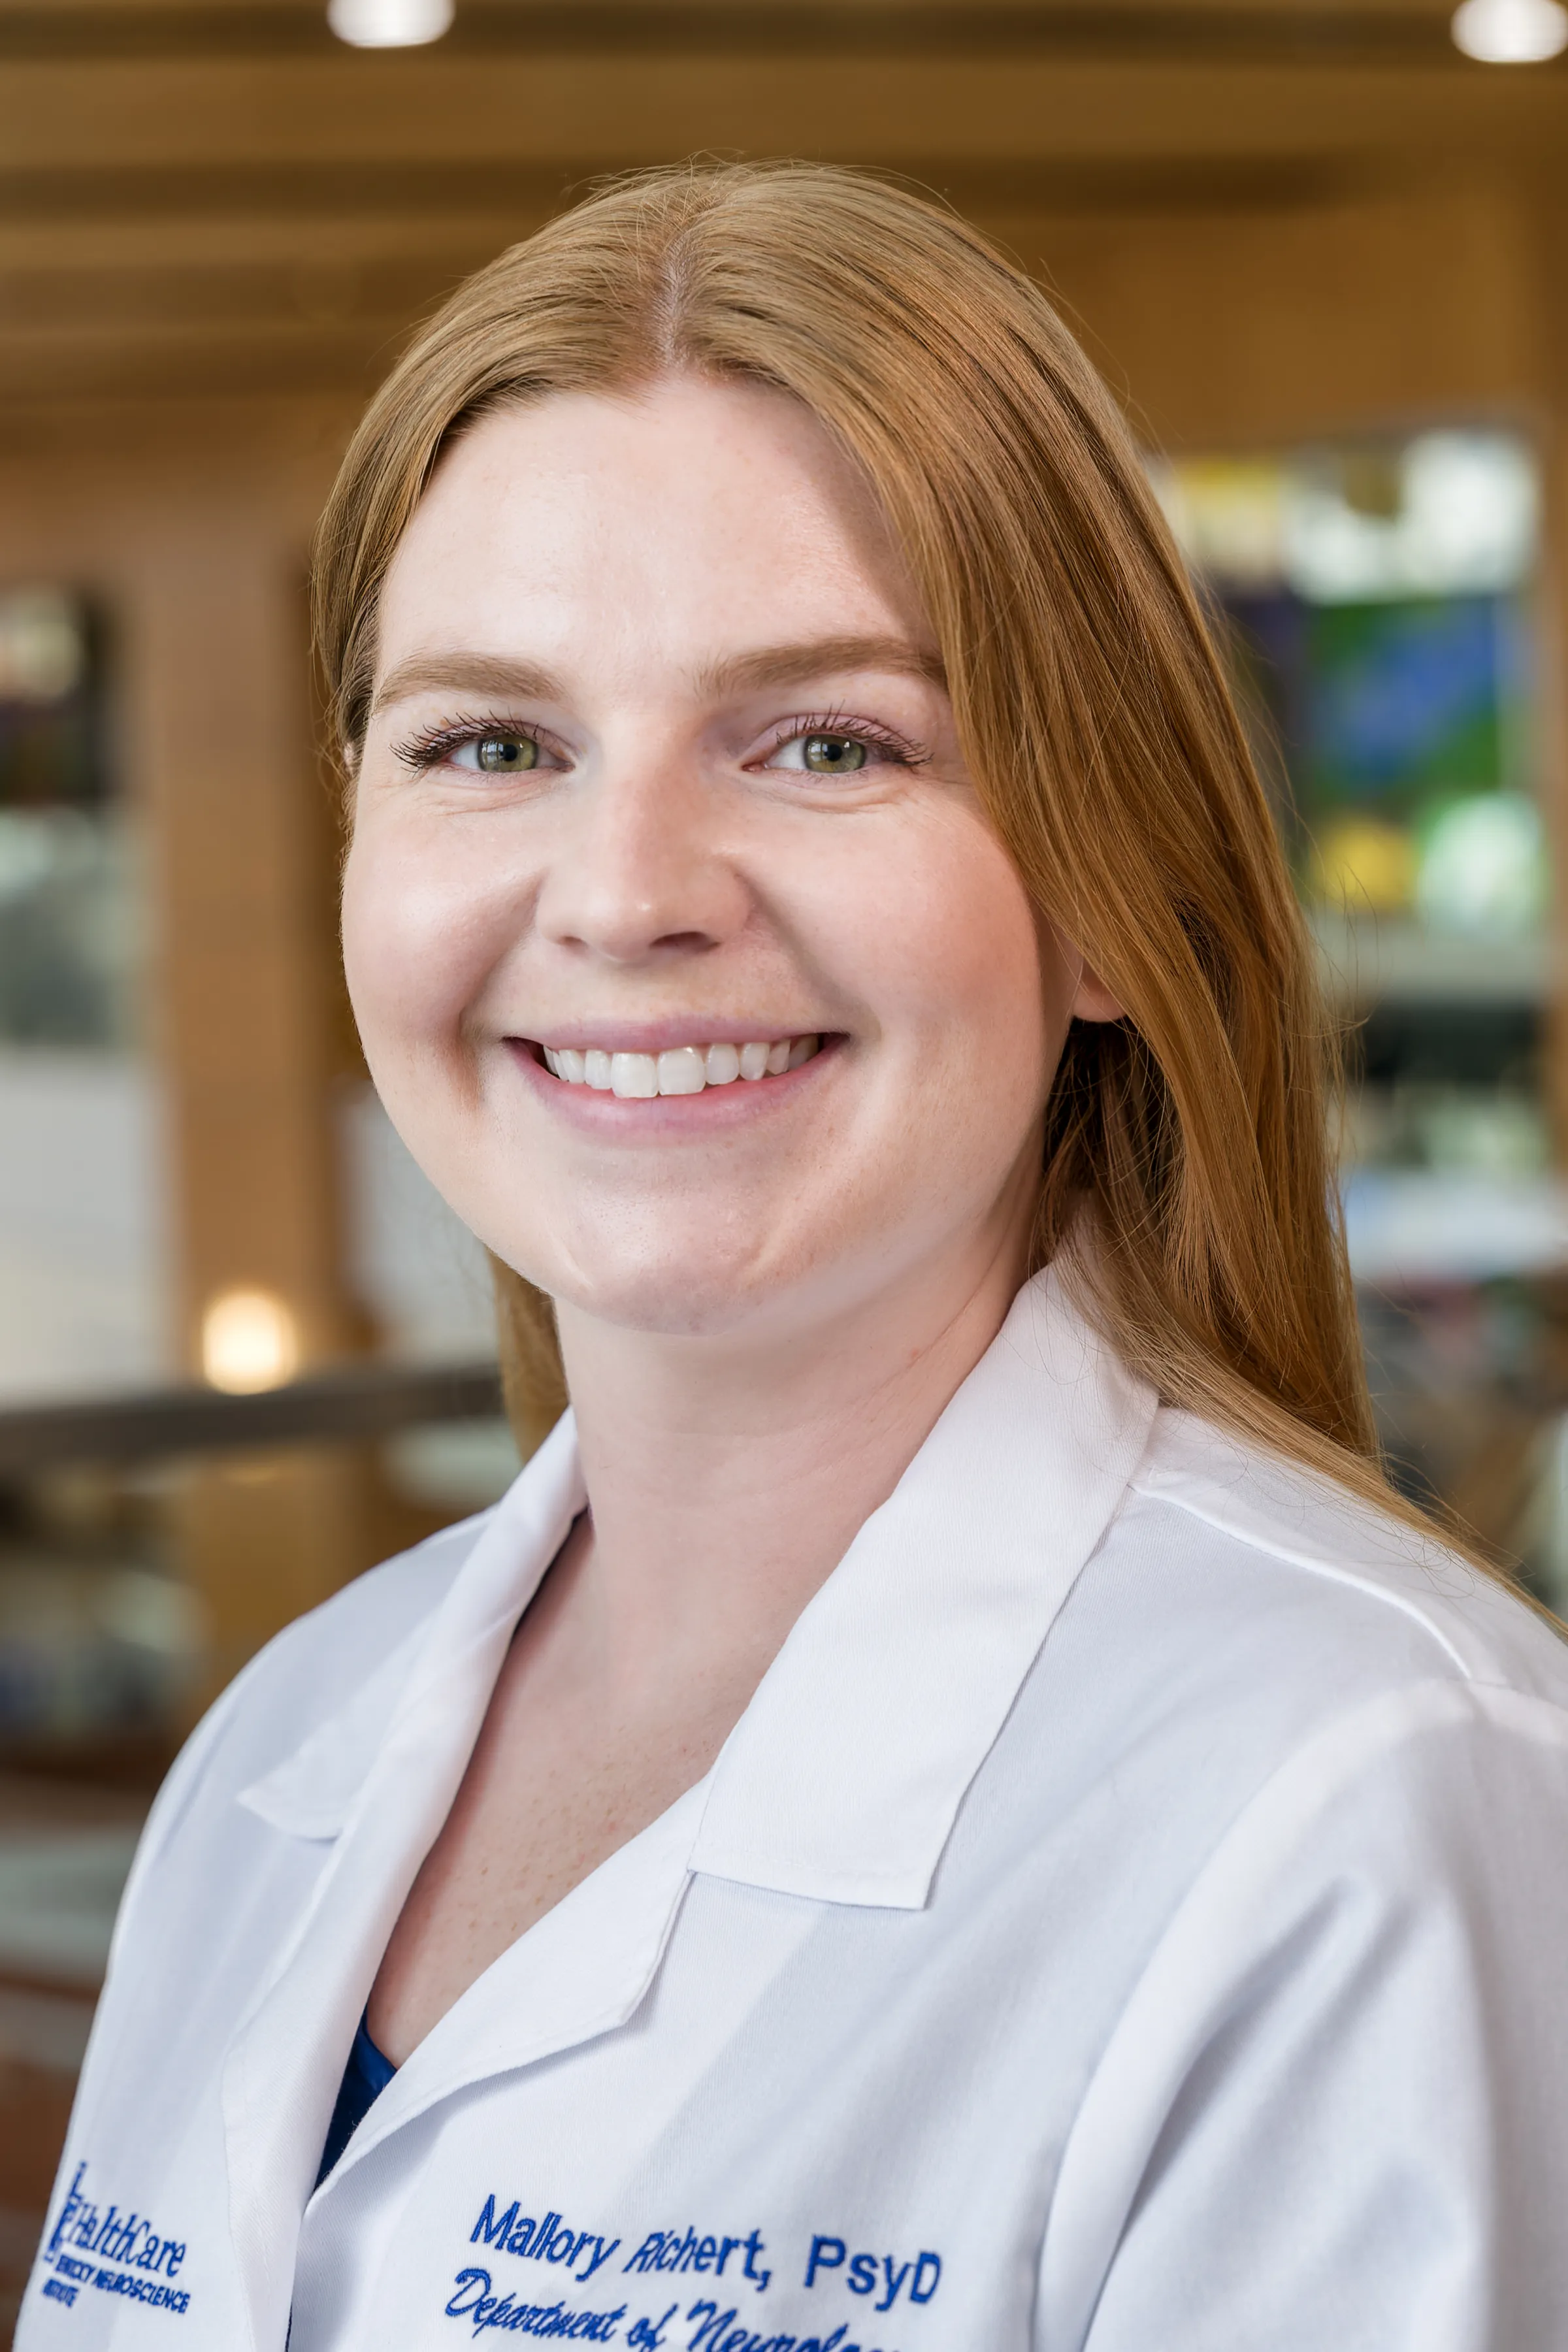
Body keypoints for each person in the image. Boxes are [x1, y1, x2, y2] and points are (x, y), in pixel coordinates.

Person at [22, 163, 1568, 2352]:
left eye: (827, 741)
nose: (627, 891)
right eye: (491, 743)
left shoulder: (1365, 1798)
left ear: (1115, 890)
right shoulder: (292, 1745)